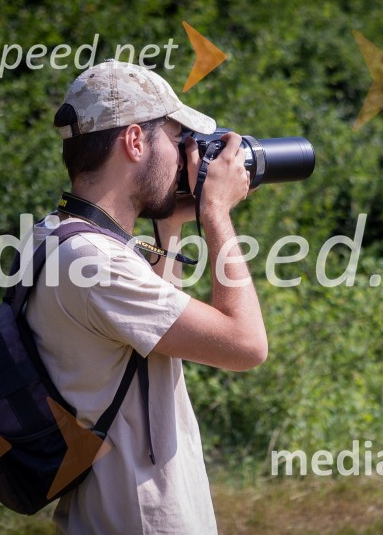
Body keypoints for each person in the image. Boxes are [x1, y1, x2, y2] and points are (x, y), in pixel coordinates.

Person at [25, 59, 267, 534]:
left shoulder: (55, 237)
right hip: (141, 518)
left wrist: (170, 227)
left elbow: (141, 333)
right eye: (178, 142)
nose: (186, 159)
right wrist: (216, 214)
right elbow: (246, 345)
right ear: (135, 142)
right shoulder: (95, 262)